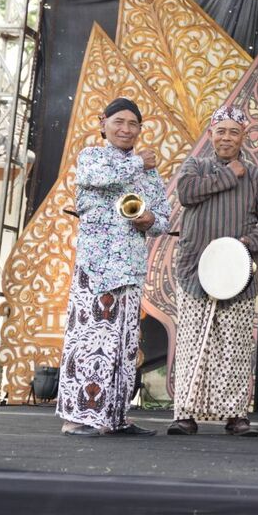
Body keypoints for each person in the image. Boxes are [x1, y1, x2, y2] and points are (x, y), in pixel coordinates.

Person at [166, 106, 258, 438]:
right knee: (192, 343)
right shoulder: (195, 166)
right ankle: (185, 413)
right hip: (194, 270)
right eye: (221, 131)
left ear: (244, 136)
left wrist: (241, 246)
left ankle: (235, 415)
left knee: (234, 345)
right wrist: (230, 175)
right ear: (210, 134)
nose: (227, 137)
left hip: (236, 271)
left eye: (234, 132)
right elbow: (186, 194)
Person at [58, 97, 169, 437]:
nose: (125, 128)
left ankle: (115, 418)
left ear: (139, 129)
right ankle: (77, 418)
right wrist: (138, 163)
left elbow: (163, 218)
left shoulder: (147, 173)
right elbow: (98, 179)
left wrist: (150, 219)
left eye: (133, 124)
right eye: (118, 121)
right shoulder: (92, 157)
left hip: (131, 269)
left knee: (124, 346)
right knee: (91, 344)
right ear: (103, 123)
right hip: (96, 268)